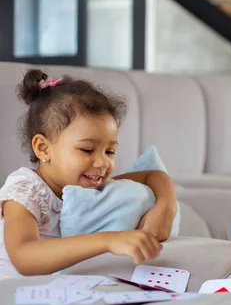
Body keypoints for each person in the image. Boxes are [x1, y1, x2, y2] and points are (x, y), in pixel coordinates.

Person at [0, 69, 178, 280]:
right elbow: (24, 257)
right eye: (87, 150)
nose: (103, 162)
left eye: (110, 151)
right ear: (43, 148)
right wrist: (109, 241)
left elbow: (153, 176)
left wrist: (167, 207)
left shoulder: (89, 188)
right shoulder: (26, 189)